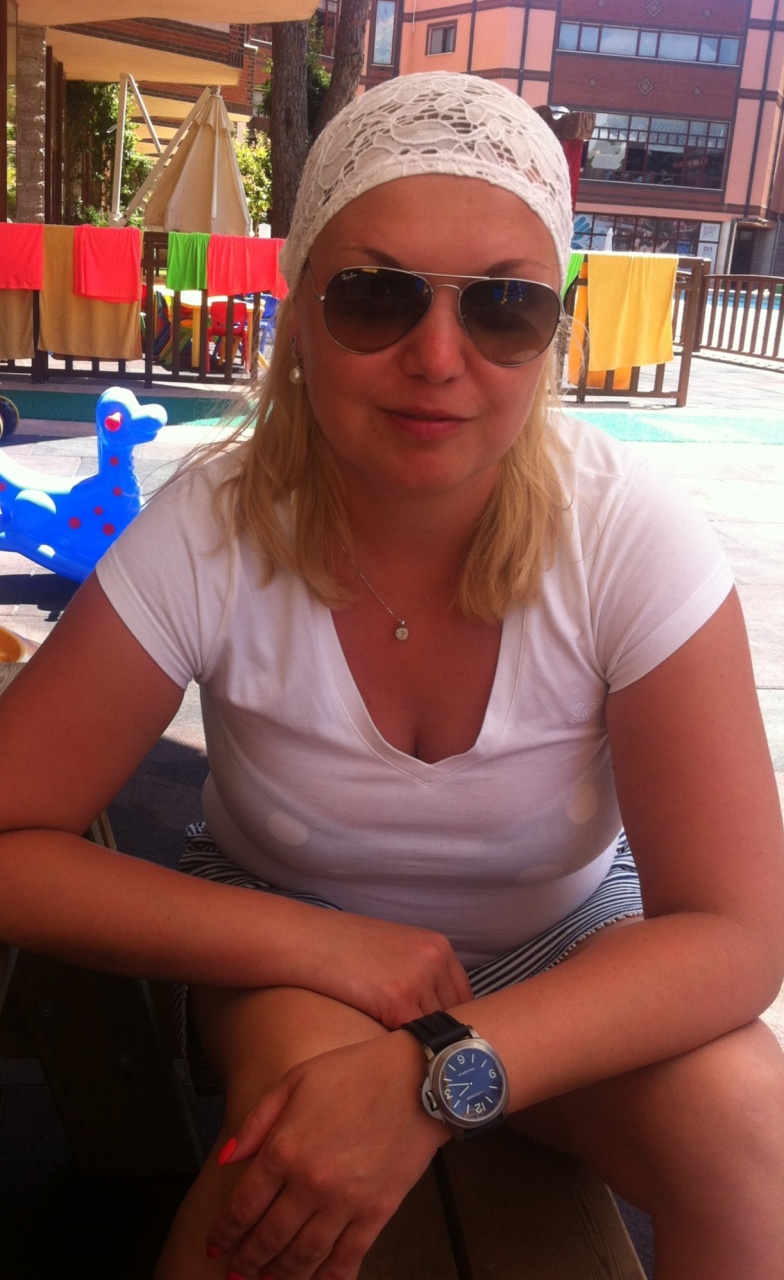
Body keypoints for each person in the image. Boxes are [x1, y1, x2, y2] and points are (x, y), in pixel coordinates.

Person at [1, 71, 783, 1280]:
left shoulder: (628, 531)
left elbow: (737, 931)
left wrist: (442, 1066)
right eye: (375, 294)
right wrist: (314, 945)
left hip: (565, 940)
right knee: (289, 1147)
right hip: (298, 940)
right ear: (300, 305)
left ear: (554, 328)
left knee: (750, 1123)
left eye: (504, 306)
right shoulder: (213, 523)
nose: (437, 356)